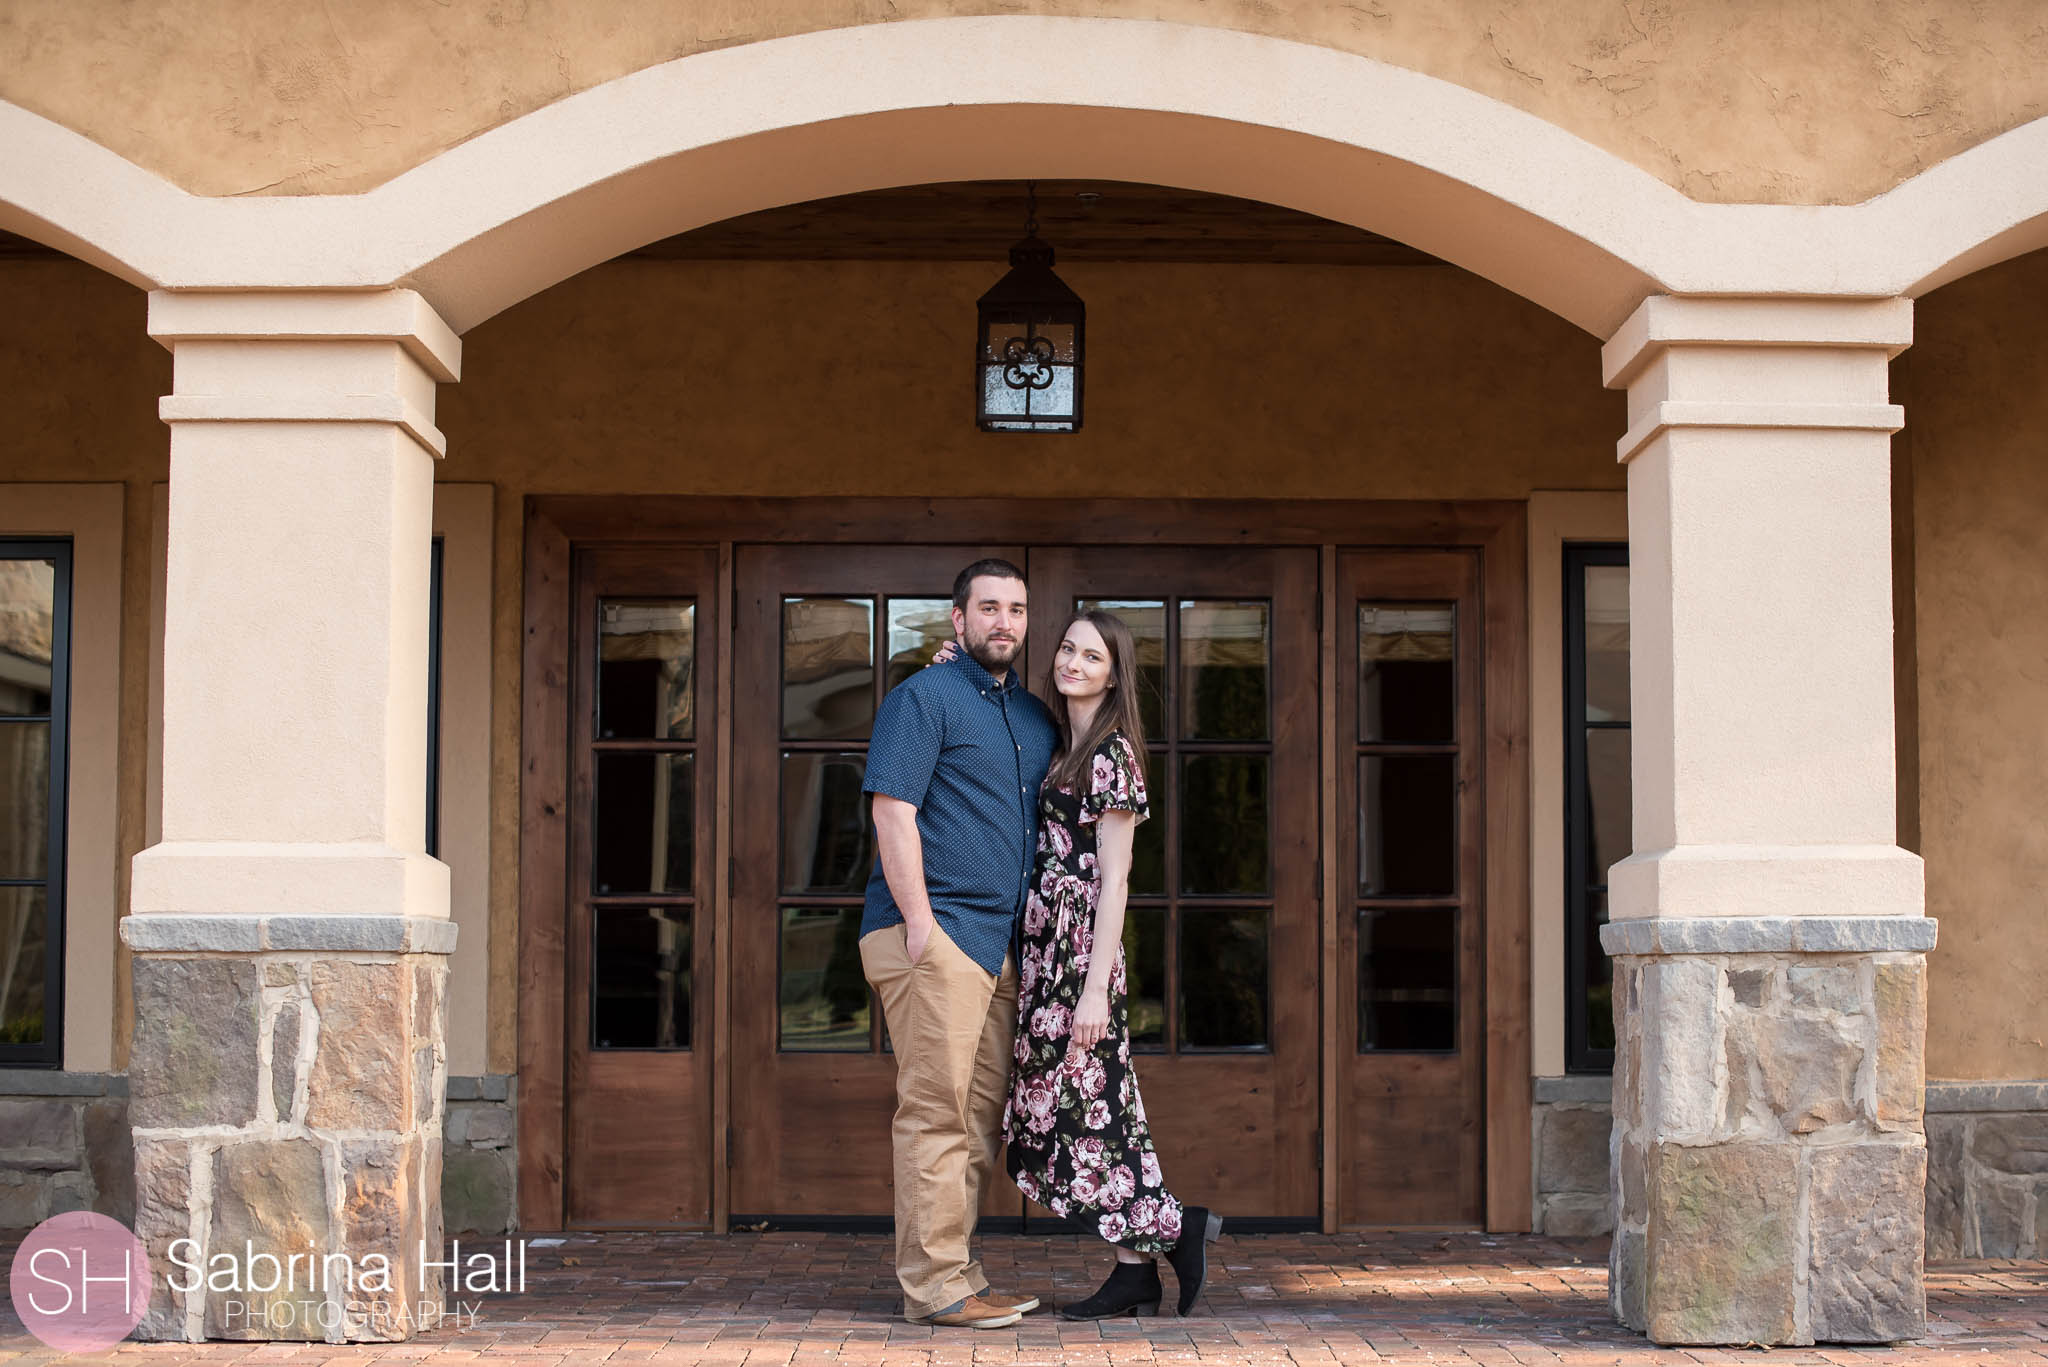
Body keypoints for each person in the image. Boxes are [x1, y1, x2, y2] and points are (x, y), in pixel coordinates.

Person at [936, 610, 1222, 1319]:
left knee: (1080, 1110)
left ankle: (1174, 1229)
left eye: (1090, 656)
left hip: (1079, 961)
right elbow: (1000, 710)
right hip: (1044, 954)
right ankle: (1139, 1265)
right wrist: (958, 670)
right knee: (1078, 1113)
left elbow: (1116, 880)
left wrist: (1094, 989)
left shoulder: (1112, 755)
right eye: (1067, 648)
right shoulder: (1062, 738)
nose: (1072, 662)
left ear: (1114, 673)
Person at [858, 558, 1058, 1330]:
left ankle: (959, 1273)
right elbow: (893, 813)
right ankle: (935, 1286)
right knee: (936, 1117)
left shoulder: (1034, 717)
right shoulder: (923, 698)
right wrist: (920, 925)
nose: (1003, 621)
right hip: (937, 934)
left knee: (975, 1124)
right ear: (958, 619)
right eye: (988, 608)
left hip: (997, 943)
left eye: (1015, 608)